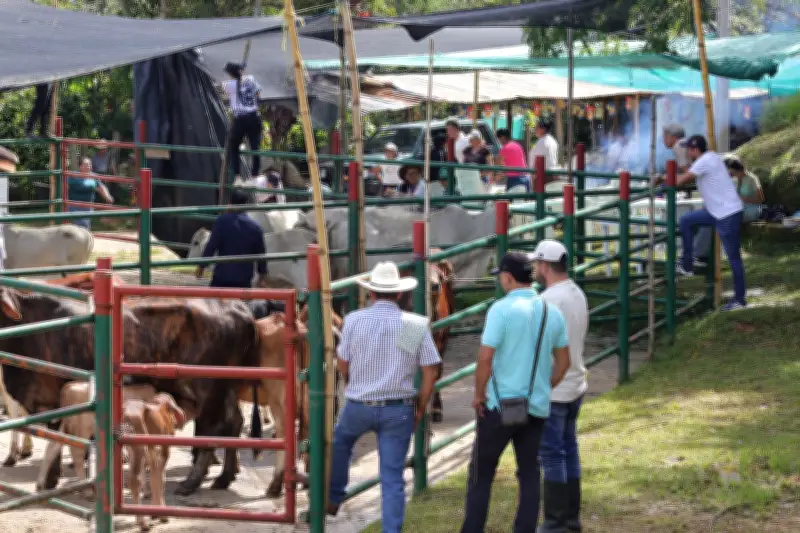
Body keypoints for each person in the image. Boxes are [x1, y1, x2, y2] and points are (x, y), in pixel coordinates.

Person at [460, 252, 570, 533]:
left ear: (508, 277)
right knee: (530, 472)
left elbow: (485, 358)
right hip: (535, 407)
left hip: (499, 405)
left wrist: (479, 394)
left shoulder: (501, 309)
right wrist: (544, 387)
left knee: (481, 473)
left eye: (501, 275)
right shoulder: (551, 312)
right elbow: (564, 363)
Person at [327, 261, 441, 533]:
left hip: (359, 405)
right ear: (399, 293)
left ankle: (333, 495)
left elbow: (342, 362)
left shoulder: (354, 320)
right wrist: (420, 406)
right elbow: (430, 370)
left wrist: (352, 380)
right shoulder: (412, 324)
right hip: (398, 408)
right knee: (392, 478)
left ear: (371, 293)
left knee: (340, 442)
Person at [531, 240, 589, 533]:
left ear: (544, 265)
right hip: (575, 382)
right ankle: (570, 517)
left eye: (536, 263)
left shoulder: (548, 300)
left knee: (552, 454)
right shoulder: (576, 293)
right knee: (569, 448)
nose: (534, 268)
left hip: (555, 387)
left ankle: (555, 521)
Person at [655, 135, 746, 311]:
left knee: (734, 258)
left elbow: (681, 180)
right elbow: (687, 174)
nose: (686, 153)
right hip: (717, 211)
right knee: (686, 221)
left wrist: (662, 180)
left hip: (727, 214)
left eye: (688, 150)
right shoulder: (710, 157)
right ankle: (687, 263)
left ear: (694, 150)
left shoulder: (704, 161)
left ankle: (739, 300)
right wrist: (665, 177)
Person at [195, 188, 267, 289]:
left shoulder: (221, 222)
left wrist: (201, 266)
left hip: (222, 277)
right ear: (246, 204)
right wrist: (262, 276)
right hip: (244, 280)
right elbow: (261, 254)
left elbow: (211, 246)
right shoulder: (256, 227)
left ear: (230, 203)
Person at [222, 61, 263, 181]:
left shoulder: (229, 85)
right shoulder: (251, 79)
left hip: (240, 119)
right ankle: (254, 175)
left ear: (230, 73)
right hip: (254, 117)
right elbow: (258, 93)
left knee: (234, 147)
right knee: (255, 148)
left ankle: (237, 177)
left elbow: (225, 90)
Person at [67, 158, 114, 229]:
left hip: (88, 206)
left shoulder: (94, 176)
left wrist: (107, 196)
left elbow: (101, 187)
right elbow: (65, 187)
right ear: (80, 166)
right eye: (86, 164)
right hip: (75, 205)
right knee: (82, 224)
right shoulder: (73, 176)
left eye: (89, 164)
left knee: (85, 225)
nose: (88, 166)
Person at [725, 154, 764, 223]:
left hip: (752, 209)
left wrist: (744, 199)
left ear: (739, 170)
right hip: (739, 208)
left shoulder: (752, 179)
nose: (733, 175)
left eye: (734, 172)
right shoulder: (735, 180)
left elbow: (761, 199)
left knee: (730, 216)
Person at [528, 120, 559, 188]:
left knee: (539, 194)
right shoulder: (552, 140)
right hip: (550, 174)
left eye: (536, 128)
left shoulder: (542, 142)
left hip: (542, 175)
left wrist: (533, 175)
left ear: (543, 129)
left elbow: (539, 160)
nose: (535, 130)